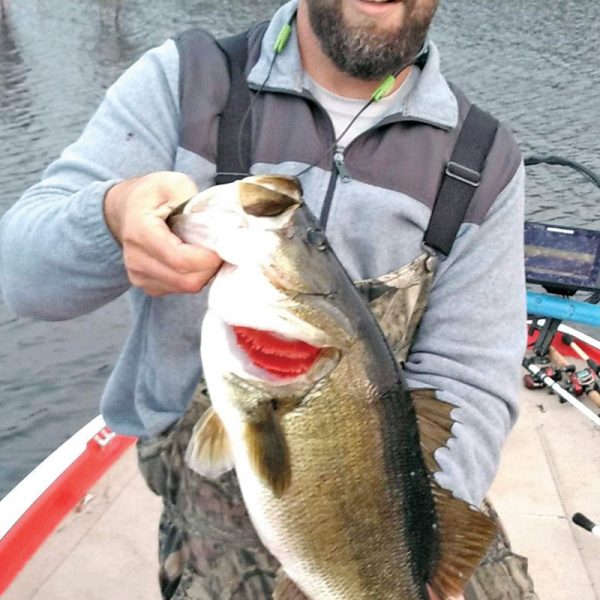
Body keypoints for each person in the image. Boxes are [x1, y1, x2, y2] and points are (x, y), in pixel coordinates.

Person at [0, 0, 532, 598]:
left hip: (397, 502)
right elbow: (24, 277)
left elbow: (469, 383)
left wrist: (388, 560)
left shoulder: (484, 157)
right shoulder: (188, 81)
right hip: (210, 498)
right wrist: (112, 213)